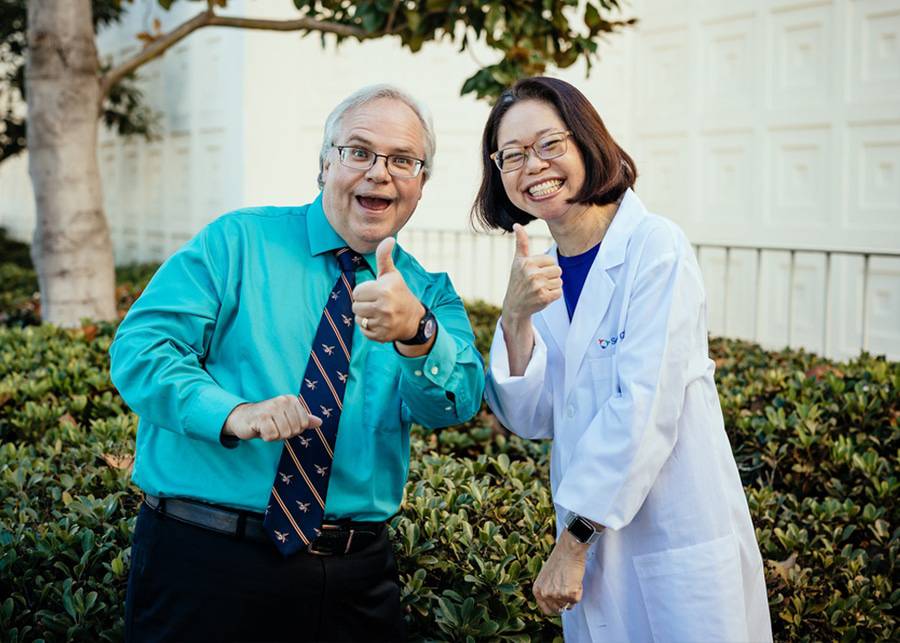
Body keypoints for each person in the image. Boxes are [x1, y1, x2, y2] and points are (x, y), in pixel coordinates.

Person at [110, 84, 485, 642]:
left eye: (403, 160)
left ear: (421, 184)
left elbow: (454, 404)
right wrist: (233, 413)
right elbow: (142, 349)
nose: (380, 172)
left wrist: (418, 334)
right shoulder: (236, 241)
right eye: (359, 151)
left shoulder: (428, 294)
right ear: (324, 163)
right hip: (205, 562)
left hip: (353, 579)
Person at [474, 76, 772, 642]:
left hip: (670, 536)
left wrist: (572, 541)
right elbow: (534, 418)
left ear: (586, 141)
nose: (531, 165)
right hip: (593, 551)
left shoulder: (656, 248)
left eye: (548, 144)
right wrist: (513, 316)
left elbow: (644, 406)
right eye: (510, 155)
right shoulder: (539, 270)